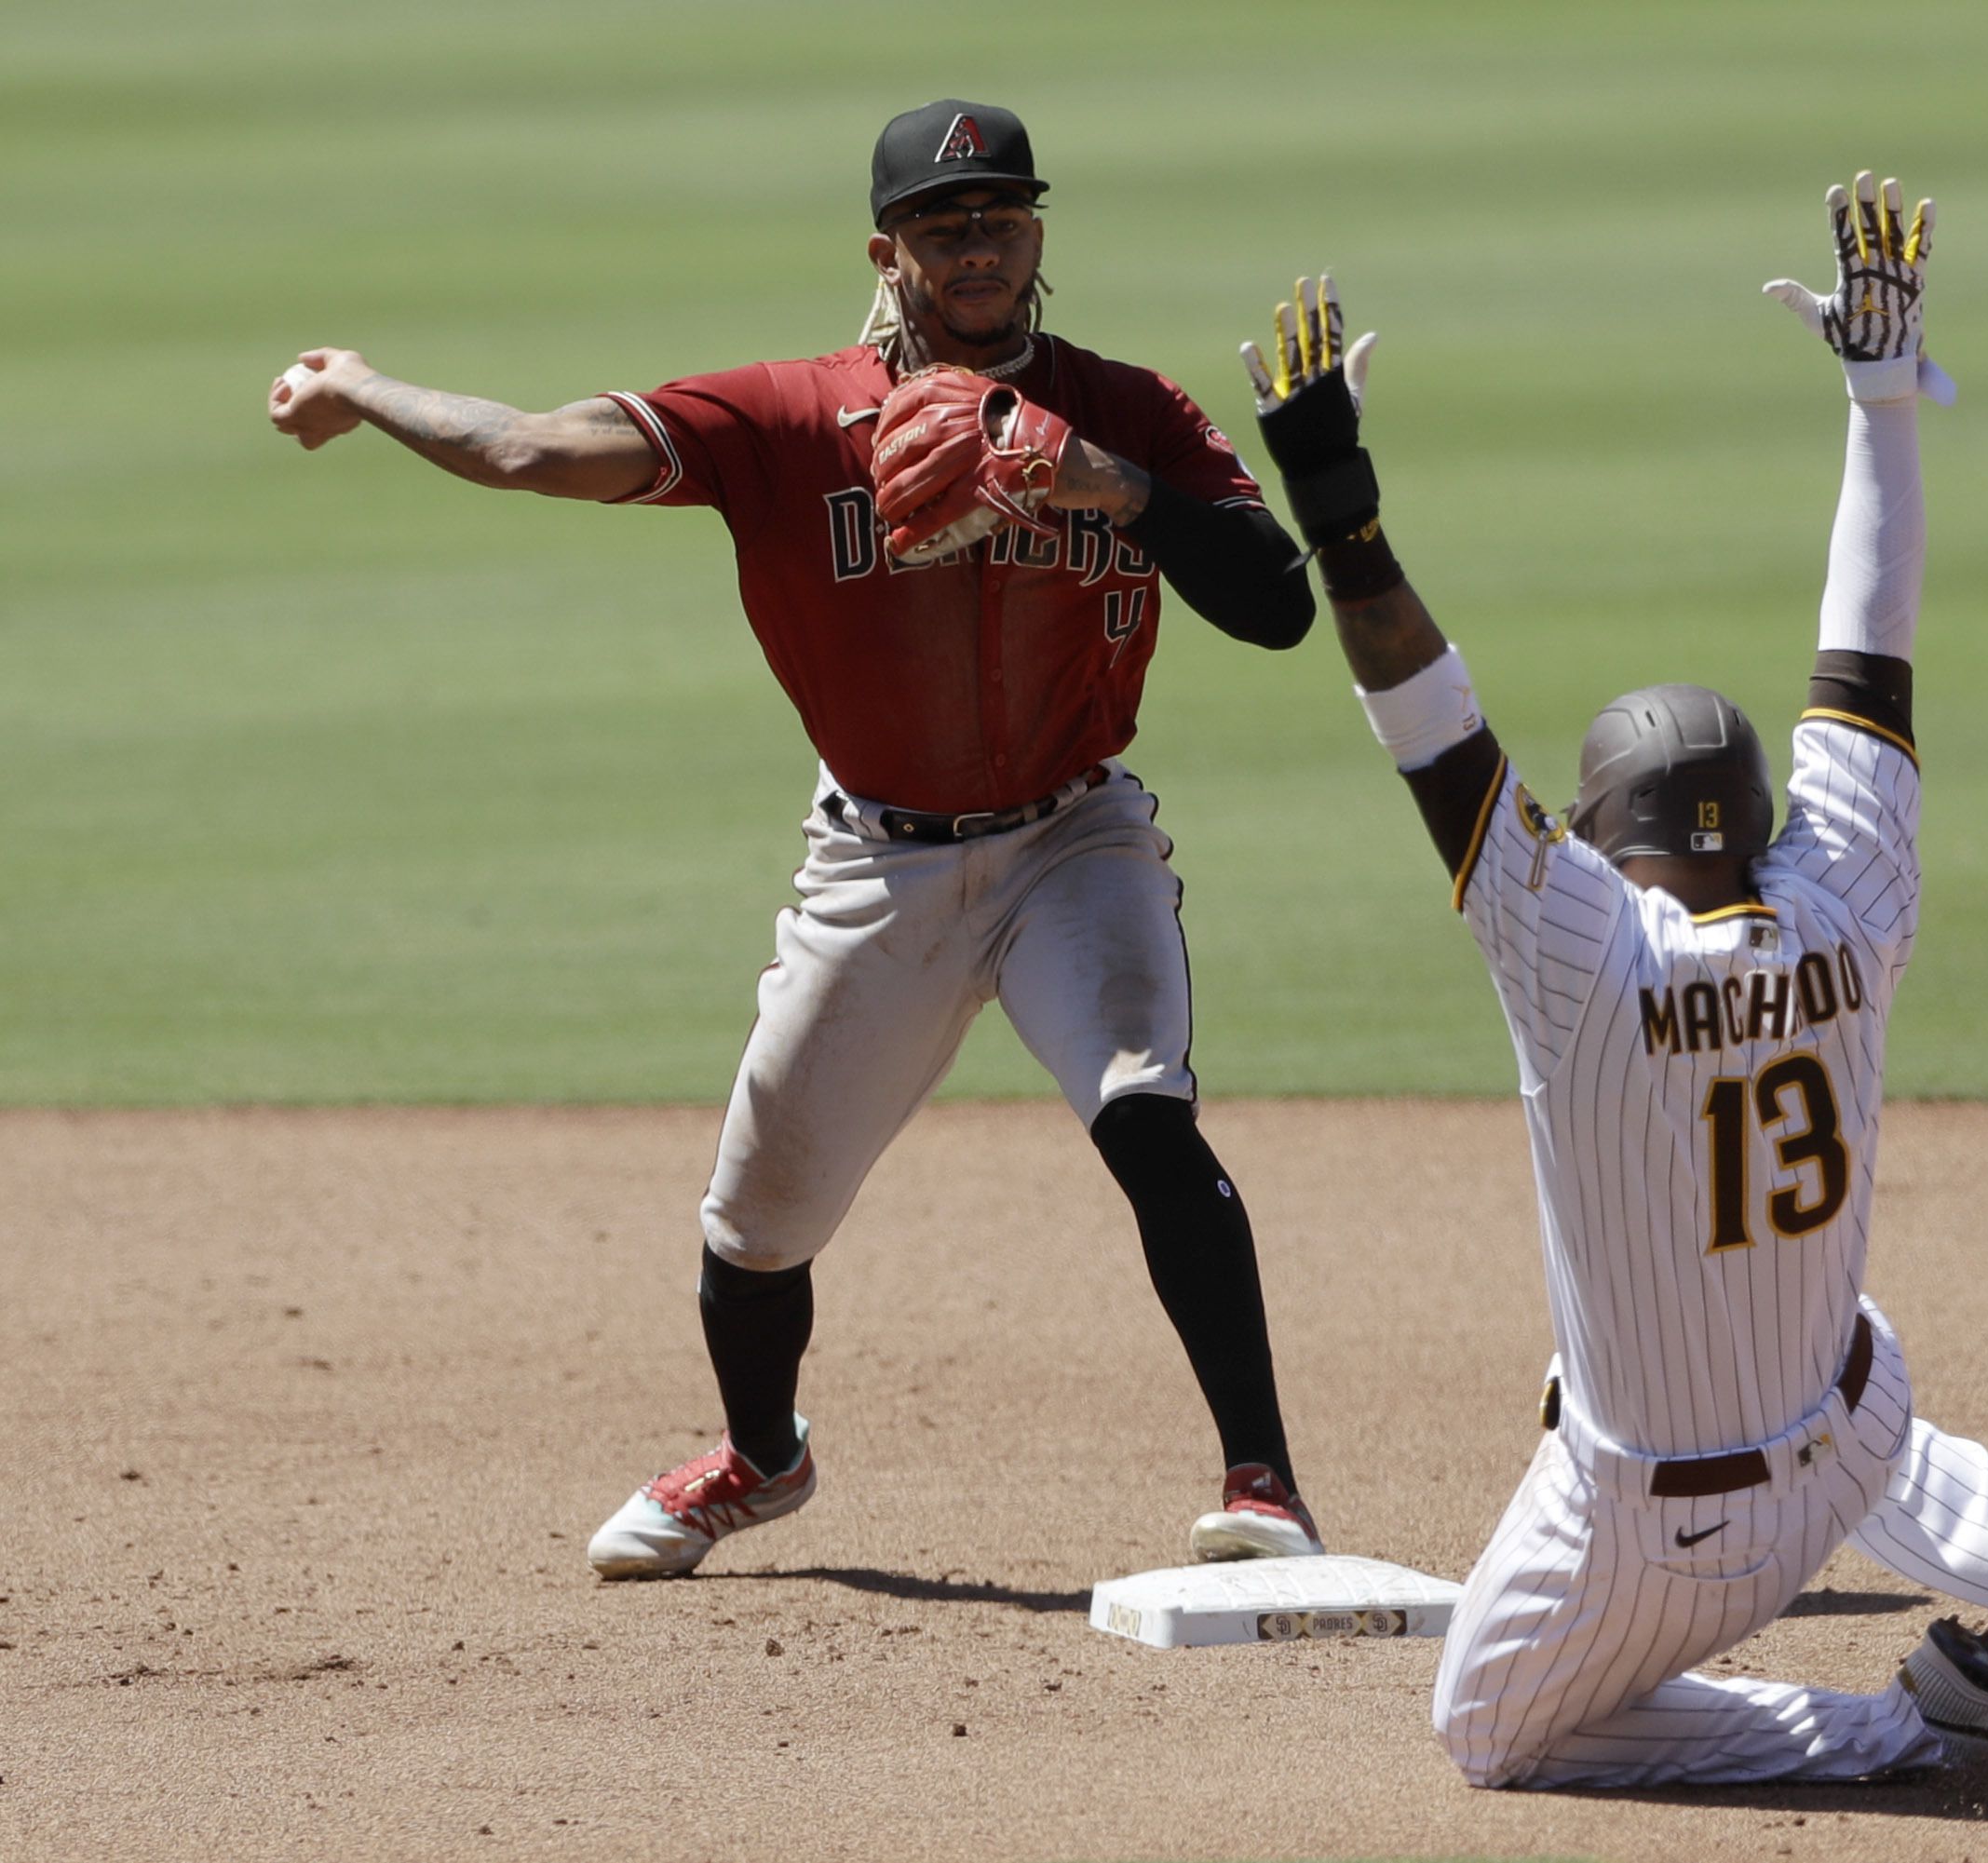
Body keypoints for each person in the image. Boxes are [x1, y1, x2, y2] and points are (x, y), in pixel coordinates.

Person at [1236, 168, 1988, 1789]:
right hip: (1847, 1421)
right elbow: (1864, 644)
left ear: (1604, 835)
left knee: (1490, 1727)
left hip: (1674, 1520)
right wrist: (1881, 396)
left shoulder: (1583, 951)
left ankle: (1907, 1728)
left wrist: (1336, 509)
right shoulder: (1847, 893)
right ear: (1751, 812)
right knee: (1851, 1408)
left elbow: (1431, 723)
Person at [266, 99, 1328, 1577]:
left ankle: (1264, 1482)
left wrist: (1113, 486)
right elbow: (528, 451)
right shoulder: (783, 419)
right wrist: (363, 384)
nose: (978, 246)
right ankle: (760, 1459)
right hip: (876, 866)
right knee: (757, 1219)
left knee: (1145, 1109)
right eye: (944, 224)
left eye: (1003, 216)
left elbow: (1278, 605)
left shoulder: (1124, 409)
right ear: (886, 252)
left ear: (1036, 234)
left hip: (1073, 843)